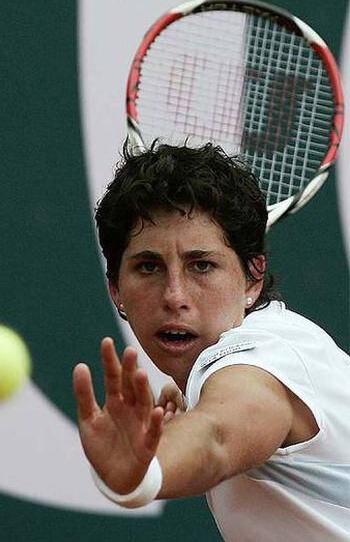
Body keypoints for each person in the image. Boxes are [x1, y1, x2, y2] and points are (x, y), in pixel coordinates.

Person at [73, 141, 350, 541]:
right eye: (148, 267)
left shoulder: (257, 363)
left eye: (201, 265)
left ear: (253, 277)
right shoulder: (291, 345)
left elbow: (217, 436)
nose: (174, 296)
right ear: (116, 289)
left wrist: (147, 468)